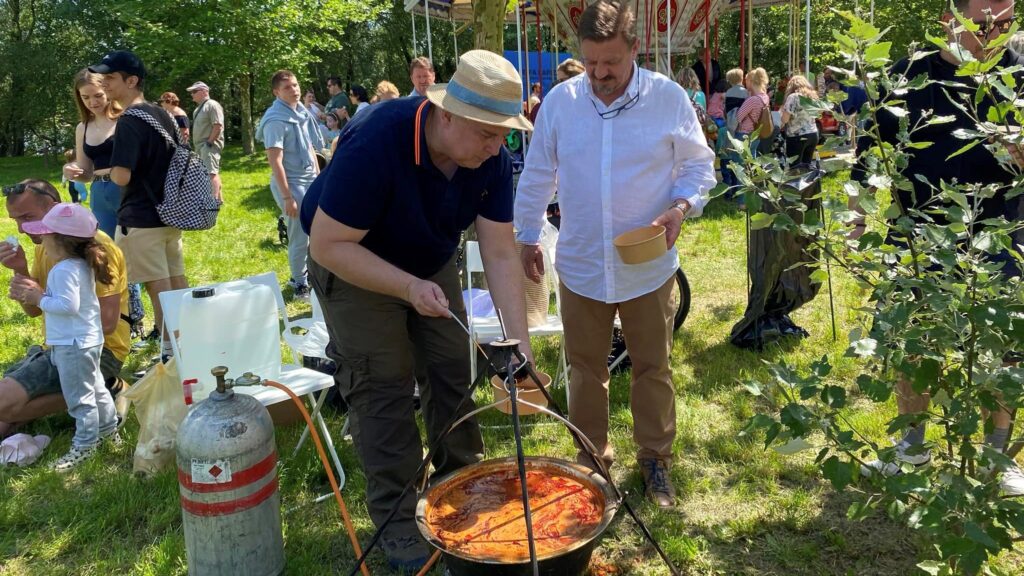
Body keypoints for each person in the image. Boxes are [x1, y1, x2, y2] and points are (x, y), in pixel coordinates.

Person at [301, 50, 534, 570]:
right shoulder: (378, 140)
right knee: (383, 381)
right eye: (487, 134)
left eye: (504, 134)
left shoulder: (489, 156)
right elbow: (328, 244)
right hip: (353, 259)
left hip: (427, 259)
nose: (498, 147)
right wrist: (406, 288)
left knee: (453, 366)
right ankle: (399, 518)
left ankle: (463, 487)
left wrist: (518, 343)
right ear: (446, 114)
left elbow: (498, 249)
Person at [514, 0, 716, 509]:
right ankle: (590, 463)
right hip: (581, 263)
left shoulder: (667, 98)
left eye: (612, 63)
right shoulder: (561, 102)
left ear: (635, 49)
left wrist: (681, 206)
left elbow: (698, 167)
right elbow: (538, 172)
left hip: (647, 264)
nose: (601, 75)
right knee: (584, 368)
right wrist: (526, 235)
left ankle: (655, 459)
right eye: (592, 63)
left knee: (653, 366)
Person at [853, 0, 1024, 494]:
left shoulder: (1019, 75)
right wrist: (859, 215)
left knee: (1004, 353)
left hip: (1001, 238)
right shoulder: (909, 77)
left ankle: (997, 457)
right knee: (913, 343)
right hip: (917, 238)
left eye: (1007, 23)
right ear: (953, 18)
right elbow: (869, 151)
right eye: (986, 24)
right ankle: (912, 448)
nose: (996, 35)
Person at [0, 180, 131, 441]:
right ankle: (98, 390)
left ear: (56, 208)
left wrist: (41, 298)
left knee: (4, 405)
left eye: (27, 218)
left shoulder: (96, 248)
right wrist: (20, 270)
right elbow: (34, 312)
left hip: (94, 350)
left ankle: (100, 388)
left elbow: (106, 323)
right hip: (59, 348)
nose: (22, 229)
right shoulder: (44, 246)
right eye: (15, 220)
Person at [90, 49, 189, 362]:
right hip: (170, 214)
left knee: (158, 289)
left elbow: (121, 176)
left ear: (131, 80)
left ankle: (173, 356)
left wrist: (97, 172)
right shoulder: (161, 113)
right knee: (177, 285)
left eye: (110, 78)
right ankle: (192, 343)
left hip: (141, 218)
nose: (103, 83)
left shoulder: (130, 119)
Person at [16, 203, 120, 470]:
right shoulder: (80, 264)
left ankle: (85, 446)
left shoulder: (62, 270)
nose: (42, 241)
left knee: (80, 399)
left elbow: (67, 306)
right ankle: (110, 433)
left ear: (58, 240)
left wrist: (39, 298)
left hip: (72, 344)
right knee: (97, 390)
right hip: (89, 340)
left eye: (45, 236)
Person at [257, 70, 324, 301]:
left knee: (318, 232)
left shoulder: (301, 113)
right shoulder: (275, 120)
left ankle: (314, 276)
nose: (294, 90)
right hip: (291, 184)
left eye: (295, 85)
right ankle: (299, 284)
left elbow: (310, 149)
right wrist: (287, 197)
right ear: (276, 92)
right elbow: (274, 160)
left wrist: (318, 179)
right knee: (299, 235)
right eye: (287, 87)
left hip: (309, 181)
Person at [63, 69, 121, 237]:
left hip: (126, 189)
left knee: (133, 249)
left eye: (97, 95)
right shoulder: (83, 127)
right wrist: (70, 171)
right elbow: (86, 174)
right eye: (85, 97)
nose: (92, 102)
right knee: (106, 249)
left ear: (108, 91)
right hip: (99, 192)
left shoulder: (126, 118)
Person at [186, 81, 225, 202]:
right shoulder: (198, 109)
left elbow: (218, 125)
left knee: (210, 173)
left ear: (204, 91)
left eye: (194, 91)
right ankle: (219, 199)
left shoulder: (212, 105)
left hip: (209, 145)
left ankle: (212, 201)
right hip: (200, 146)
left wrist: (209, 142)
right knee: (210, 172)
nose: (192, 94)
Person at [779, 74, 820, 165]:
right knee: (806, 166)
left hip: (797, 136)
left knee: (795, 168)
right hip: (813, 134)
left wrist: (782, 112)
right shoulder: (813, 97)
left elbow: (785, 119)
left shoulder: (793, 97)